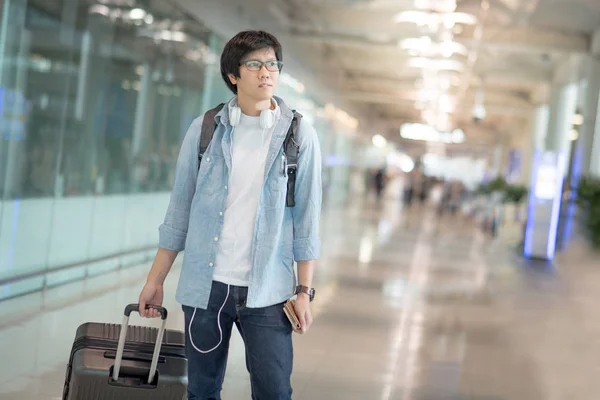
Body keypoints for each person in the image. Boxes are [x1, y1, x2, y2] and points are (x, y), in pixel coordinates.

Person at [137, 30, 322, 400]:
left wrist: (303, 291)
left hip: (268, 292)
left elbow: (307, 219)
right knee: (202, 391)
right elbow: (179, 211)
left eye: (272, 64)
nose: (266, 72)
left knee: (274, 391)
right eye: (255, 64)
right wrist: (156, 280)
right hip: (207, 289)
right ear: (233, 75)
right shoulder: (206, 129)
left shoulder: (300, 135)